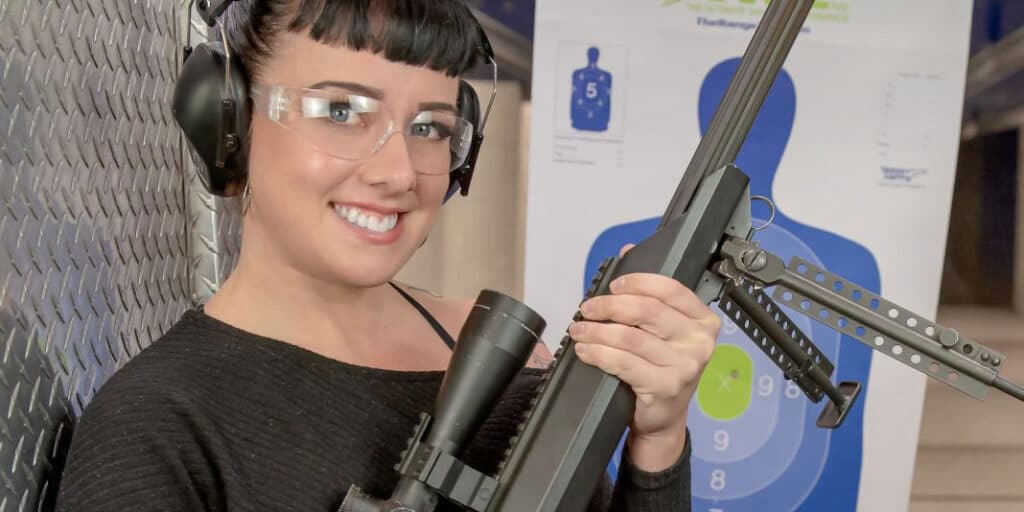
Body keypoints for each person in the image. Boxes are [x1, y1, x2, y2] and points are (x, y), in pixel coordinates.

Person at [54, 1, 720, 510]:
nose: (399, 171)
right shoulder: (154, 428)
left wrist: (658, 438)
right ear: (230, 120)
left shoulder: (506, 355)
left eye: (429, 127)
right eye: (342, 111)